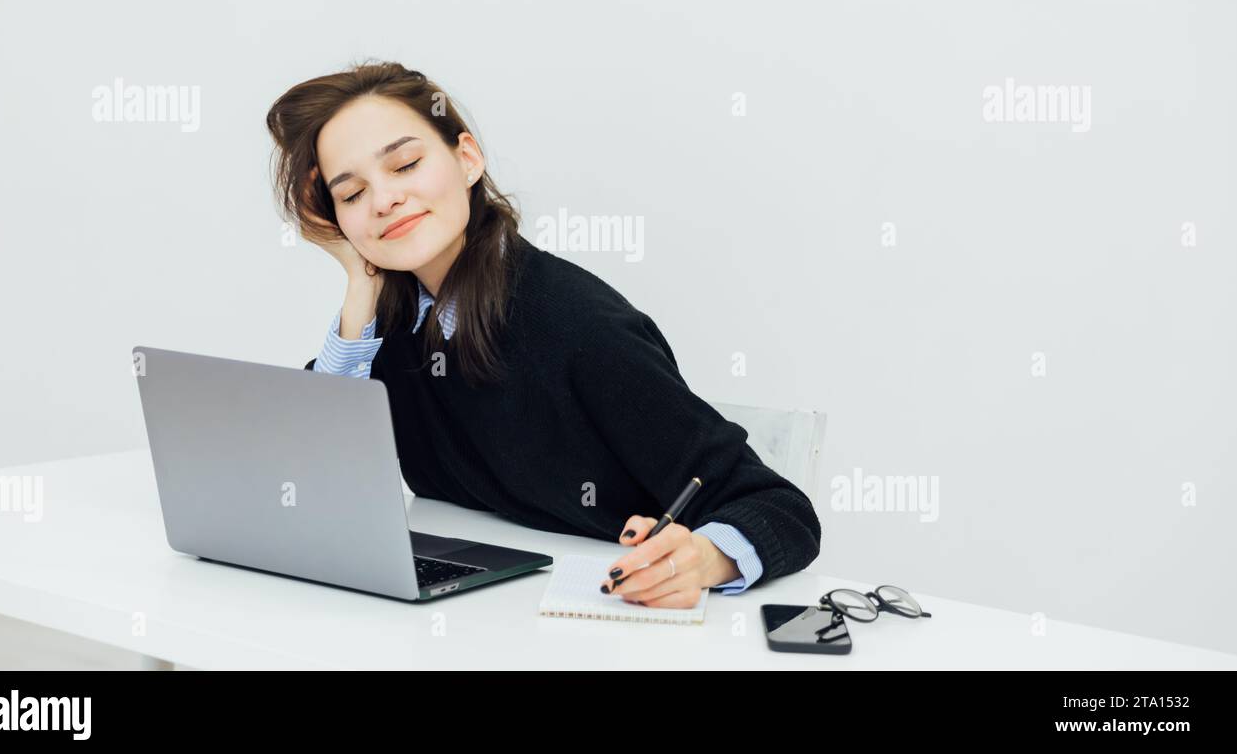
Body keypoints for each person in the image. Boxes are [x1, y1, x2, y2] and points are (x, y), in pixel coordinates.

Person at [266, 60, 822, 608]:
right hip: (473, 617)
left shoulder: (581, 326)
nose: (383, 200)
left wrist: (703, 558)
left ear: (467, 159)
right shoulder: (389, 326)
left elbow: (778, 508)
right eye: (352, 194)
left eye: (406, 164)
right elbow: (312, 485)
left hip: (605, 624)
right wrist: (358, 280)